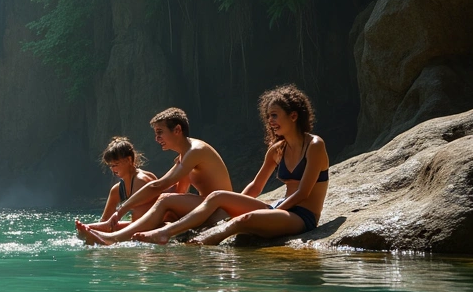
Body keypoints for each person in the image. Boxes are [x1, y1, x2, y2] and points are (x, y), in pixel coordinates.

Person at [133, 85, 329, 245]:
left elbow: (303, 192)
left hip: (303, 217)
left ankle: (206, 240)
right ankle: (166, 232)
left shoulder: (314, 145)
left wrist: (271, 211)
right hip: (280, 208)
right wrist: (235, 203)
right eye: (268, 116)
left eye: (275, 115)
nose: (270, 121)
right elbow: (256, 186)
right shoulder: (277, 150)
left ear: (293, 116)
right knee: (218, 196)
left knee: (244, 221)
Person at [77, 107, 233, 245]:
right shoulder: (183, 156)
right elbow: (180, 192)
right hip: (207, 207)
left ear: (177, 130)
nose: (157, 139)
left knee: (164, 200)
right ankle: (109, 231)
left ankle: (113, 238)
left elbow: (158, 186)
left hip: (219, 209)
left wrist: (121, 210)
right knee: (166, 207)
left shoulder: (195, 151)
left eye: (160, 133)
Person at [74, 137, 157, 241]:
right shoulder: (117, 189)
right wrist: (92, 229)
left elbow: (143, 223)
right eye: (111, 166)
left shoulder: (140, 181)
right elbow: (105, 221)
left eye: (116, 165)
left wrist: (103, 233)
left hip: (153, 227)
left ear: (129, 160)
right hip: (139, 225)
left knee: (94, 234)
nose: (113, 169)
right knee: (85, 232)